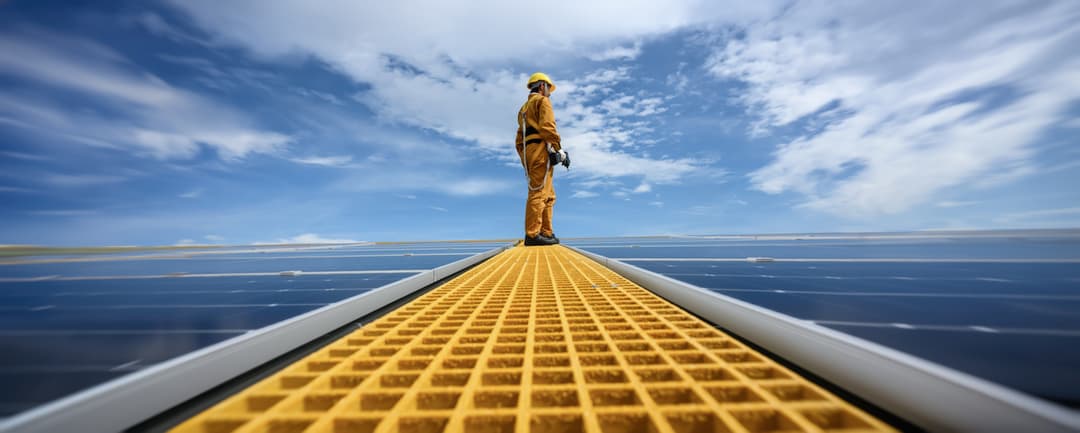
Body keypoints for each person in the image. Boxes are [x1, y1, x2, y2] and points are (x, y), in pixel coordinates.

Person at [515, 72, 567, 246]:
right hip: (540, 151)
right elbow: (547, 127)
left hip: (531, 151)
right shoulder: (542, 101)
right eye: (549, 88)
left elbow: (519, 140)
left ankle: (546, 232)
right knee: (538, 192)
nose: (550, 93)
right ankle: (532, 234)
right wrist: (560, 150)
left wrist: (526, 159)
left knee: (549, 195)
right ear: (542, 86)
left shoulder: (523, 110)